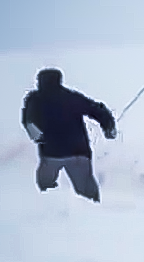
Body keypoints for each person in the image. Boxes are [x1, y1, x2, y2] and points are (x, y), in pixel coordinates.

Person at [20, 68, 117, 202]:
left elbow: (28, 121)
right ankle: (93, 211)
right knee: (87, 193)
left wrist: (36, 135)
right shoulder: (71, 97)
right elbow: (96, 109)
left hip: (51, 153)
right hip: (78, 152)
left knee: (45, 188)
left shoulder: (35, 99)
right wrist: (108, 126)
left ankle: (51, 213)